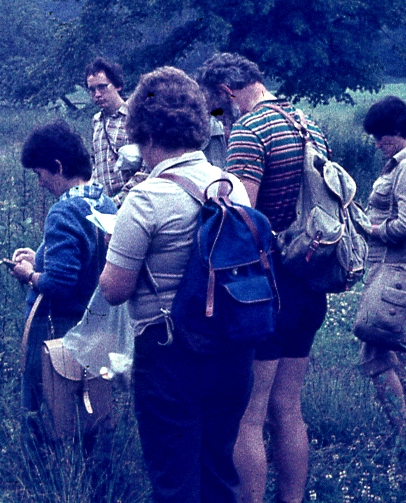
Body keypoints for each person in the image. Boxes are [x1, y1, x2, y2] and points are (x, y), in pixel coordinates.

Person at [99, 67, 252, 503]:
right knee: (219, 470)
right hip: (232, 346)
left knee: (174, 481)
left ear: (144, 134)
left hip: (171, 356)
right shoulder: (232, 186)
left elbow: (114, 290)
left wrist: (115, 245)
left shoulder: (145, 198)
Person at [195, 53, 330, 503]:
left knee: (247, 417)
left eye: (217, 102)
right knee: (287, 408)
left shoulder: (251, 130)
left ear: (227, 92)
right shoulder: (307, 123)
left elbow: (243, 216)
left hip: (267, 289)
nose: (219, 112)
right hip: (309, 279)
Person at [9, 121, 117, 448]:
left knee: (44, 412)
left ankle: (45, 483)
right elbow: (89, 260)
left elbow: (59, 282)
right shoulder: (104, 201)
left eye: (40, 174)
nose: (40, 183)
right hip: (95, 325)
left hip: (57, 328)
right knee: (89, 409)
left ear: (58, 166)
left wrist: (29, 273)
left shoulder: (63, 212)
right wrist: (40, 255)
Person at [360, 97, 406, 438]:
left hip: (394, 272)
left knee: (376, 354)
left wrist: (371, 229)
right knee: (398, 354)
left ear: (398, 131)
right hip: (398, 272)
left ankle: (401, 435)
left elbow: (405, 225)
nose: (377, 144)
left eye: (381, 136)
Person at [85, 57, 132, 196]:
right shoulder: (96, 122)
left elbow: (146, 167)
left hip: (132, 202)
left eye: (102, 87)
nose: (97, 94)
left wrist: (122, 200)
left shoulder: (134, 117)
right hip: (104, 203)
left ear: (117, 85)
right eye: (92, 90)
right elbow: (95, 164)